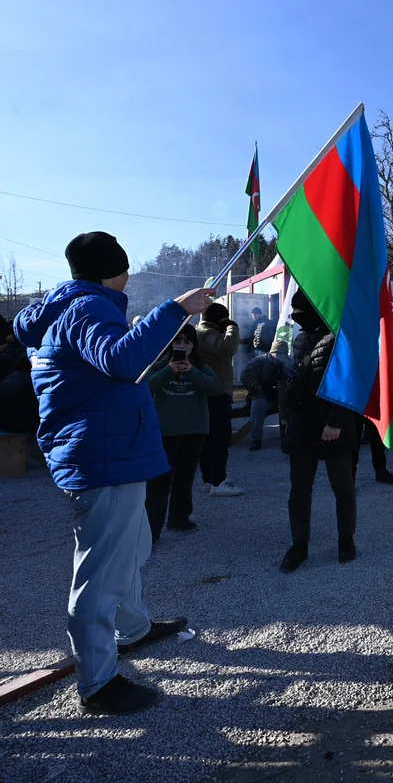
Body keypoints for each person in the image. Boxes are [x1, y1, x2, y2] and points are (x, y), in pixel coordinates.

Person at [14, 231, 208, 715]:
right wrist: (175, 309)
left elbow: (109, 366)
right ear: (113, 270)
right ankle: (97, 683)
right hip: (103, 459)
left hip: (109, 452)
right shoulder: (89, 308)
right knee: (100, 575)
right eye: (125, 267)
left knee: (133, 547)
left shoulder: (71, 306)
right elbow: (121, 361)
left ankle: (134, 628)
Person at [279, 290, 359, 572]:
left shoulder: (339, 336)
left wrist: (335, 422)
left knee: (343, 487)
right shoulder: (301, 338)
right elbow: (297, 380)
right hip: (302, 426)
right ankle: (299, 545)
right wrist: (287, 417)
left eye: (300, 310)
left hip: (333, 428)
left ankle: (346, 539)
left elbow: (346, 383)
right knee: (299, 490)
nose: (295, 315)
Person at [145, 324, 223, 541]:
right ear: (170, 344)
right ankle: (152, 528)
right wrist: (170, 370)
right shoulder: (160, 365)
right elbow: (147, 387)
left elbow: (215, 388)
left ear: (193, 345)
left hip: (195, 430)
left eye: (187, 342)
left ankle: (179, 518)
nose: (182, 346)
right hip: (165, 430)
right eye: (177, 342)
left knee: (185, 476)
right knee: (160, 480)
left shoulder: (200, 366)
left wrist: (192, 371)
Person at [197, 303, 244, 497]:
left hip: (211, 392)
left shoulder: (203, 331)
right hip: (215, 394)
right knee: (219, 438)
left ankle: (209, 480)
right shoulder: (206, 332)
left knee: (208, 440)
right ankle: (218, 482)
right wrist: (232, 326)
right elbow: (228, 348)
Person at [240, 340, 293, 451]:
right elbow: (245, 375)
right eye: (279, 353)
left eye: (283, 354)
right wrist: (258, 392)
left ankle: (289, 436)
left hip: (283, 395)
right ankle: (256, 438)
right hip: (263, 394)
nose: (281, 356)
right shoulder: (260, 361)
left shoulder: (288, 362)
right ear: (272, 352)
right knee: (257, 406)